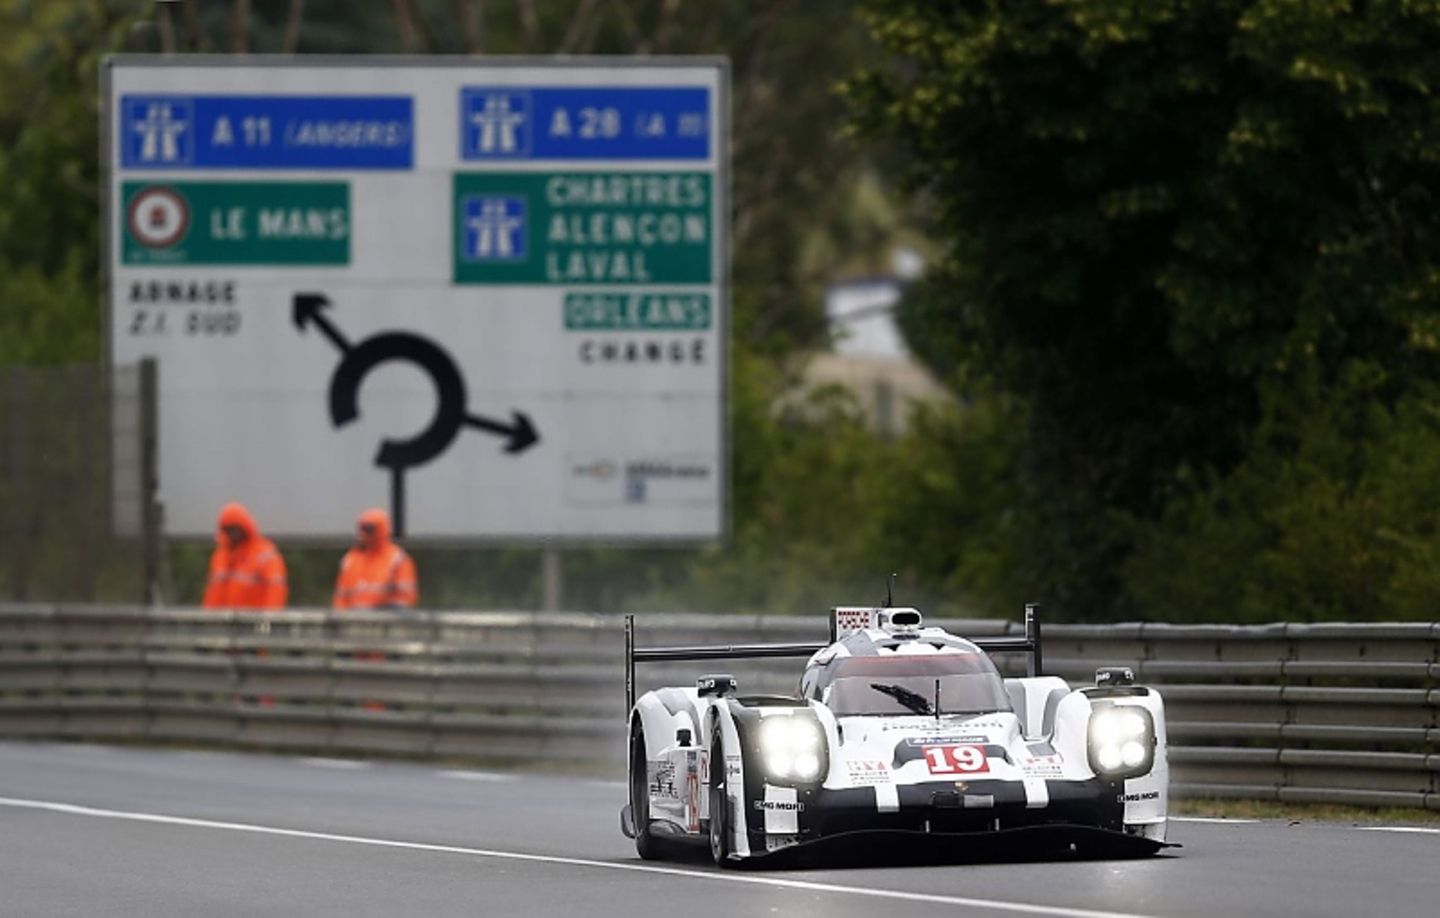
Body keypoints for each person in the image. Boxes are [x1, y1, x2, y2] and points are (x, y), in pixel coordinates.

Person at [202, 502, 288, 610]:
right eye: (228, 529)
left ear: (244, 527)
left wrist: (268, 622)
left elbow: (276, 590)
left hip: (254, 622)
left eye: (234, 528)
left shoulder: (265, 553)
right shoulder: (221, 555)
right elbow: (213, 591)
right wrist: (208, 619)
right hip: (223, 622)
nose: (232, 533)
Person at [332, 508, 418, 610]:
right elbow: (340, 598)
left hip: (386, 621)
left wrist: (380, 613)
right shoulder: (350, 559)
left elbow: (405, 598)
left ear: (382, 529)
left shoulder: (397, 559)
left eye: (369, 529)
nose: (364, 533)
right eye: (361, 528)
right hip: (353, 621)